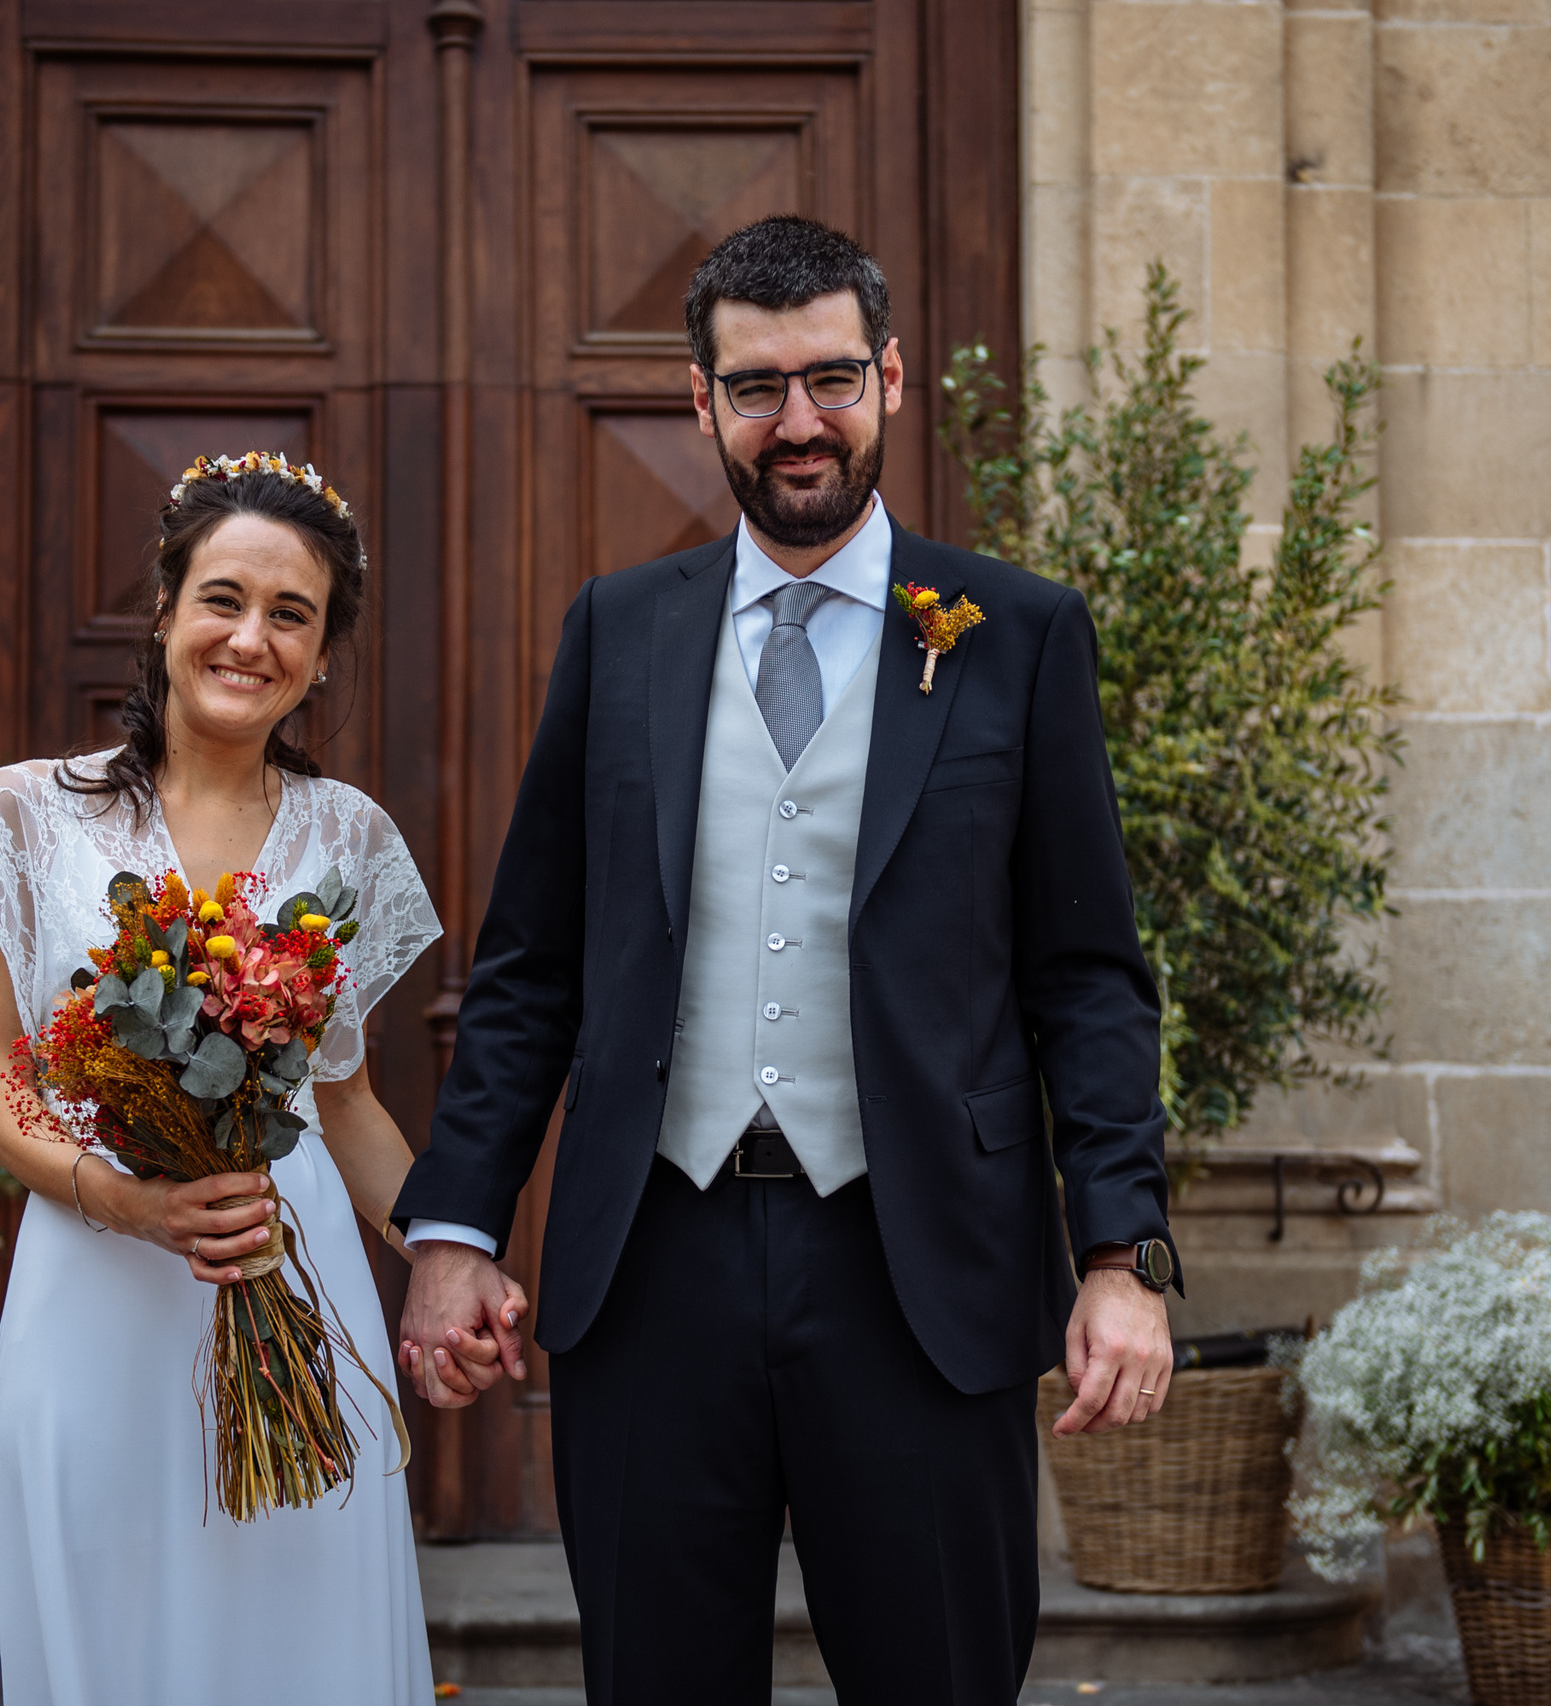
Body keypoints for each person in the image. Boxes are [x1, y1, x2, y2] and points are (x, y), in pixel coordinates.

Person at [390, 215, 1179, 1704]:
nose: (799, 421)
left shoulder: (1017, 633)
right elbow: (531, 964)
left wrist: (1119, 1255)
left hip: (919, 1263)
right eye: (757, 387)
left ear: (891, 379)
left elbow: (1087, 978)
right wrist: (454, 1229)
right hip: (654, 1262)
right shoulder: (621, 629)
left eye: (831, 378)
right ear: (702, 403)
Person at [0, 457, 507, 1705]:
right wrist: (130, 1202)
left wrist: (446, 1258)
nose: (250, 638)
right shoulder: (14, 820)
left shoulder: (348, 837)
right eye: (223, 599)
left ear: (323, 655)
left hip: (294, 1283)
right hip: (93, 1297)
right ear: (165, 609)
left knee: (307, 1647)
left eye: (291, 614)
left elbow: (341, 1100)